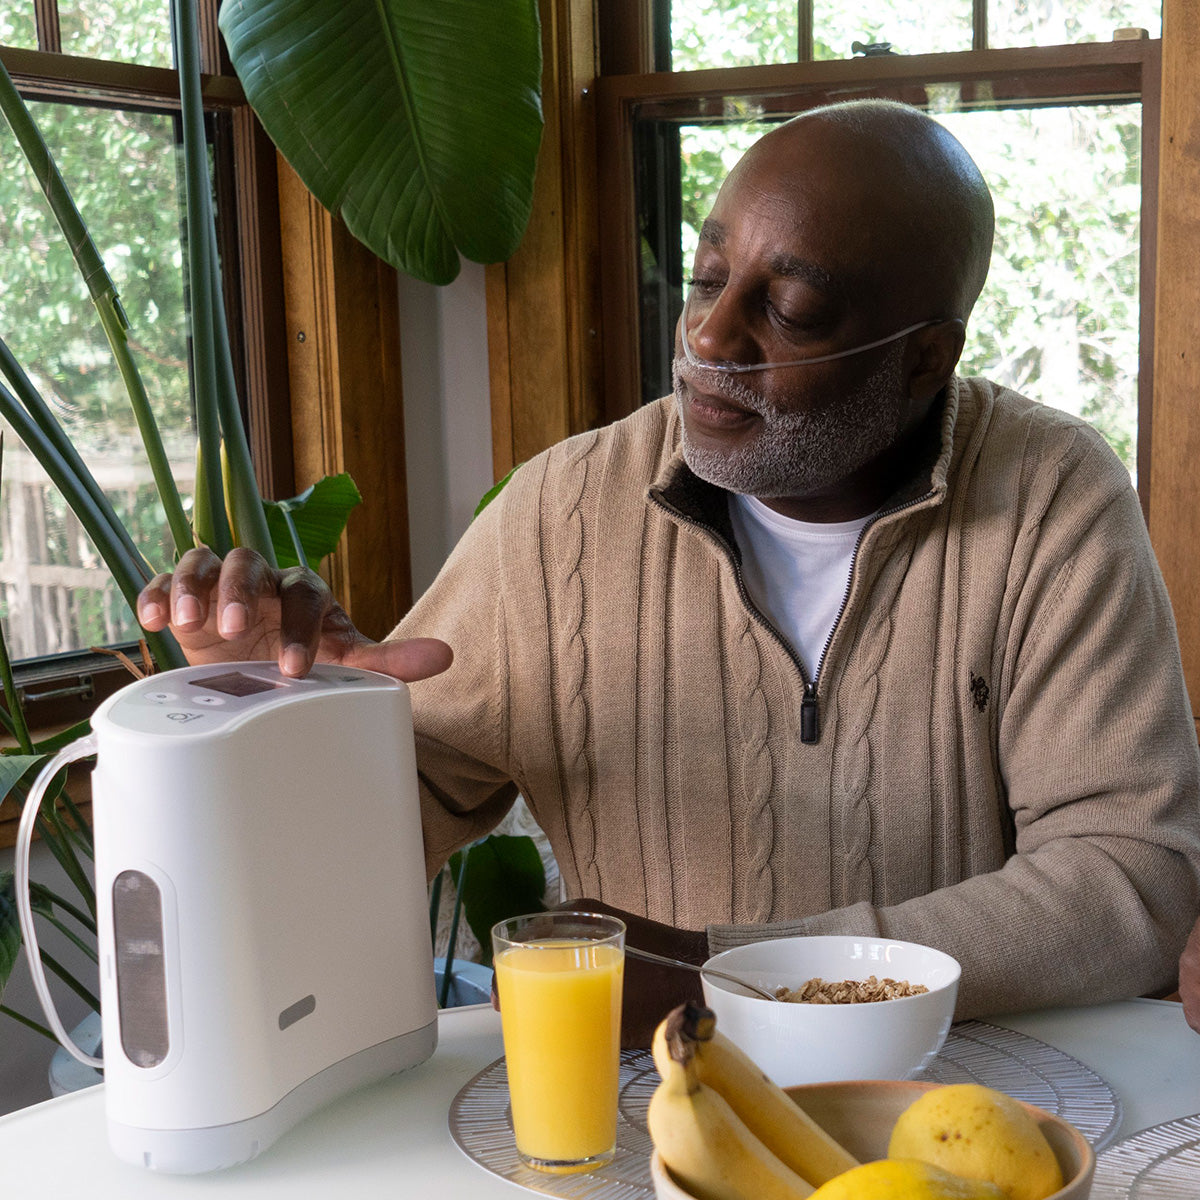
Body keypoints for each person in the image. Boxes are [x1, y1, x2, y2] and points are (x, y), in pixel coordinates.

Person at [137, 100, 1200, 1045]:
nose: (709, 333)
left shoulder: (1052, 497)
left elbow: (1130, 876)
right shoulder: (560, 515)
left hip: (972, 1090)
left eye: (788, 310)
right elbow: (381, 825)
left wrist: (733, 976)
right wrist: (263, 715)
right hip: (650, 1103)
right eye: (705, 278)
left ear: (925, 356)